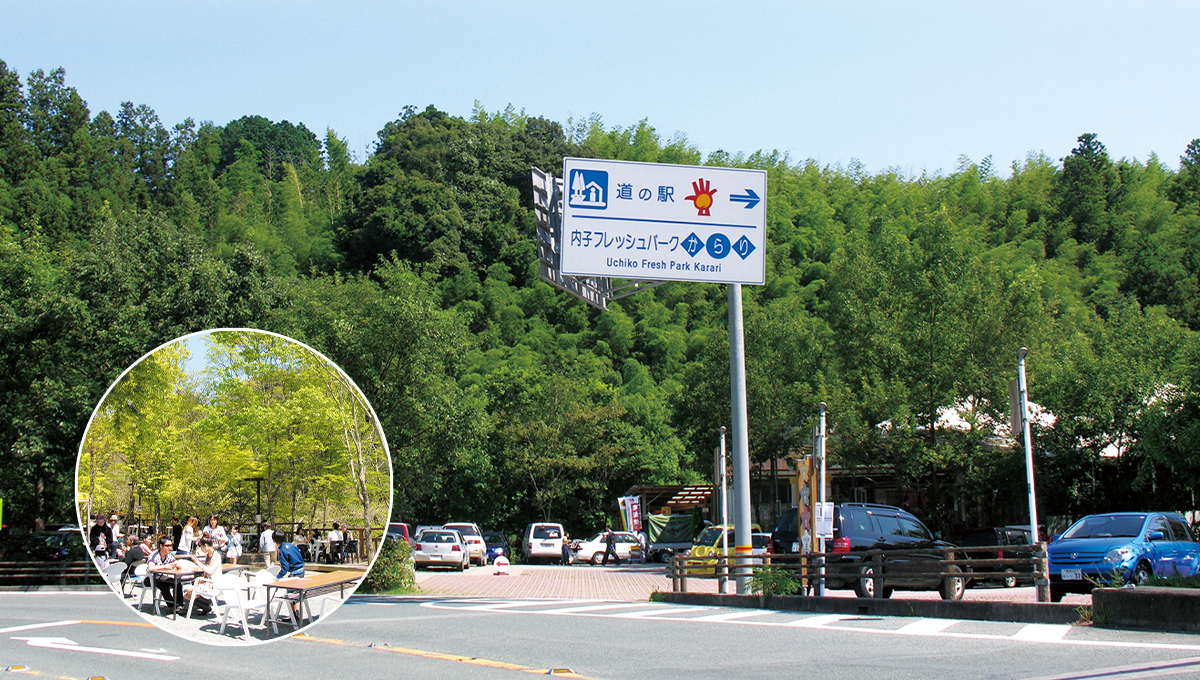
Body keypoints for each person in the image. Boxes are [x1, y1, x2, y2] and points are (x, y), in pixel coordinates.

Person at [181, 536, 222, 616]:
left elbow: (209, 570)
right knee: (186, 595)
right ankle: (205, 606)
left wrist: (197, 562)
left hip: (213, 583)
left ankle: (207, 602)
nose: (200, 548)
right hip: (207, 581)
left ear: (205, 545)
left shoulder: (216, 556)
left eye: (201, 546)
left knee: (189, 590)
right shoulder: (208, 555)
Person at [146, 536, 182, 607]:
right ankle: (172, 606)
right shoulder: (154, 555)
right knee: (164, 586)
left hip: (161, 577)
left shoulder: (169, 555)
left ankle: (179, 605)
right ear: (161, 546)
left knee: (177, 583)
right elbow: (150, 568)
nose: (170, 548)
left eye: (171, 545)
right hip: (151, 578)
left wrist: (177, 565)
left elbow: (177, 563)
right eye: (167, 546)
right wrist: (165, 566)